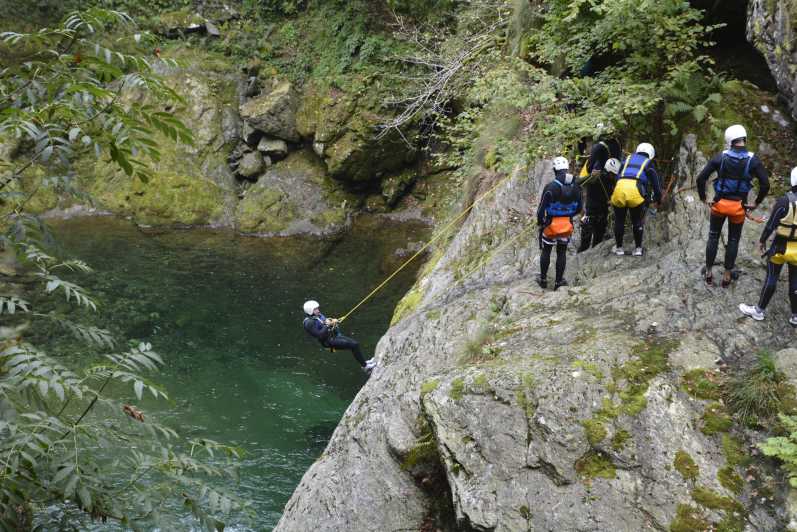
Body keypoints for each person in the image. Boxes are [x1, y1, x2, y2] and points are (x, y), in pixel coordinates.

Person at [697, 125, 770, 287]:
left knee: (713, 236)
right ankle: (727, 275)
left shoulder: (720, 157)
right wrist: (755, 204)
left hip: (719, 205)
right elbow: (765, 184)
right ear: (744, 139)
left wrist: (704, 198)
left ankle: (708, 272)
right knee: (734, 239)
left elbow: (700, 179)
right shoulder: (753, 160)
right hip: (738, 208)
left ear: (729, 140)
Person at [739, 167, 797, 326]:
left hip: (780, 247)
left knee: (772, 277)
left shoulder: (784, 201)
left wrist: (762, 241)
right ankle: (795, 316)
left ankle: (759, 311)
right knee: (795, 281)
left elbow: (771, 225)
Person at [536, 156, 582, 290]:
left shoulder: (550, 187)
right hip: (566, 225)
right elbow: (579, 208)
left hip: (550, 225)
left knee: (547, 250)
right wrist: (567, 216)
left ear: (555, 170)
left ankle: (543, 280)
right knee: (562, 252)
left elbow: (541, 209)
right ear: (567, 168)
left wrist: (540, 222)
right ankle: (558, 282)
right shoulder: (576, 186)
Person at [610, 142, 662, 256]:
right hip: (634, 191)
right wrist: (658, 199)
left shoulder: (627, 159)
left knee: (619, 220)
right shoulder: (648, 163)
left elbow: (617, 175)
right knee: (637, 221)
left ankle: (619, 249)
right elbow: (656, 184)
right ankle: (638, 249)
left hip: (619, 189)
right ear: (650, 154)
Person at [302, 300, 377, 374]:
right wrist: (327, 325)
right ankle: (365, 366)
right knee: (354, 345)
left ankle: (364, 363)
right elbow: (319, 335)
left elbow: (325, 321)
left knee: (355, 344)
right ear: (310, 311)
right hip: (328, 342)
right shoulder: (309, 323)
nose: (318, 310)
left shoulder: (318, 315)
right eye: (315, 309)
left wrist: (333, 321)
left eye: (317, 308)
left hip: (334, 336)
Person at [578, 157, 620, 251]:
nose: (613, 176)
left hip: (602, 215)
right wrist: (590, 176)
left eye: (614, 175)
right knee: (584, 245)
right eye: (612, 174)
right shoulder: (596, 178)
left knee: (597, 244)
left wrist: (612, 200)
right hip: (590, 214)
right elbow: (578, 182)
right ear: (608, 171)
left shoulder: (612, 181)